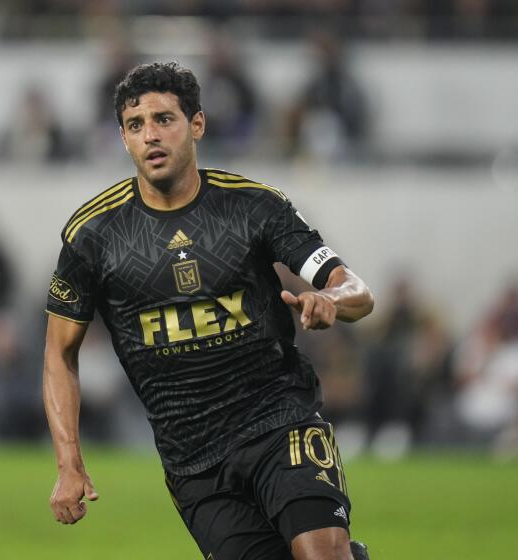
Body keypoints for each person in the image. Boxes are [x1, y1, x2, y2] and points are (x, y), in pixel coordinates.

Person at [42, 62, 374, 560]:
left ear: (196, 124)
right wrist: (69, 462)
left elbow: (356, 289)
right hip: (192, 459)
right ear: (123, 138)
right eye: (136, 125)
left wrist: (330, 301)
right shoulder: (93, 235)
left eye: (164, 119)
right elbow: (58, 355)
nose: (150, 135)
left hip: (279, 421)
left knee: (323, 554)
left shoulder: (254, 207)